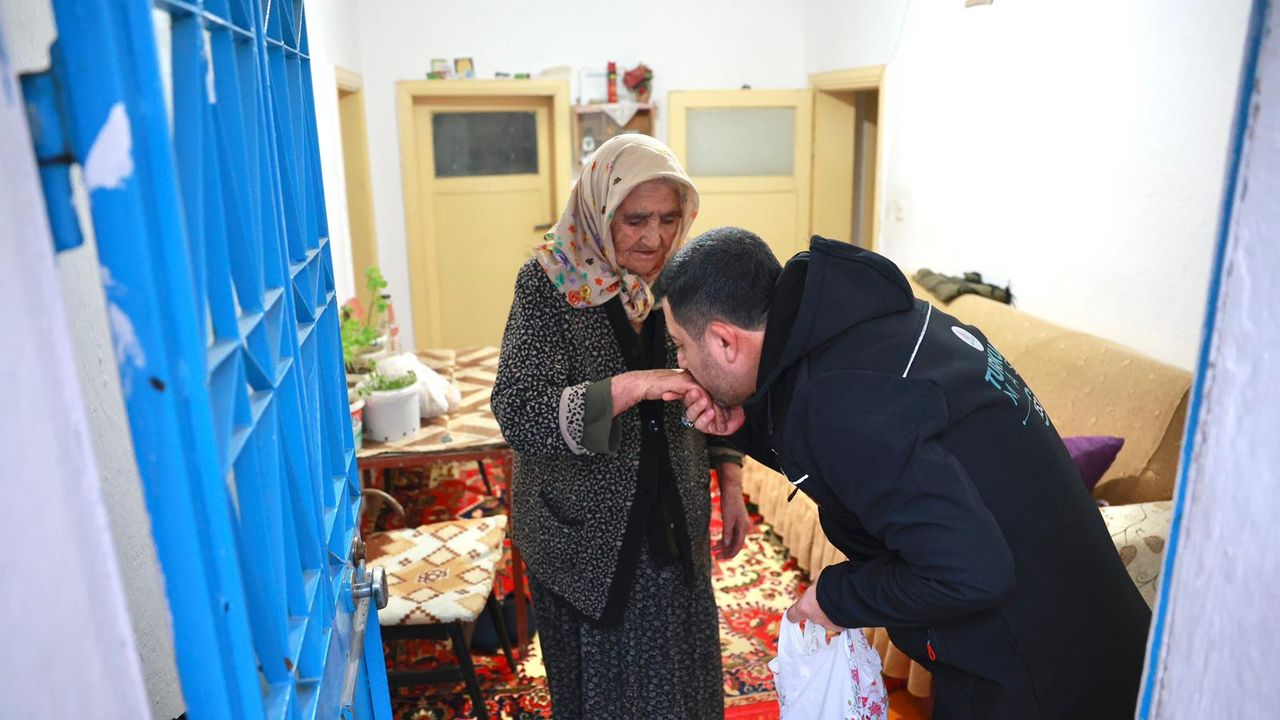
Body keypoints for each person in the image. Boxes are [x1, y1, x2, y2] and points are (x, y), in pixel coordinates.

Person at [657, 228, 1153, 719]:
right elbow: (844, 453)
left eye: (680, 345)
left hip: (1040, 671)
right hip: (1089, 628)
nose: (680, 363)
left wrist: (832, 597)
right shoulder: (854, 323)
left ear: (724, 340)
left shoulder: (842, 401)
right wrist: (744, 426)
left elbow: (969, 572)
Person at [490, 135, 749, 719]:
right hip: (584, 539)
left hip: (674, 519)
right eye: (636, 219)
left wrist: (730, 481)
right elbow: (519, 411)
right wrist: (633, 387)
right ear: (600, 210)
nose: (654, 237)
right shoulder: (548, 284)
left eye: (669, 218)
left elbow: (720, 383)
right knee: (604, 696)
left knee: (684, 685)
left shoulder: (682, 279)